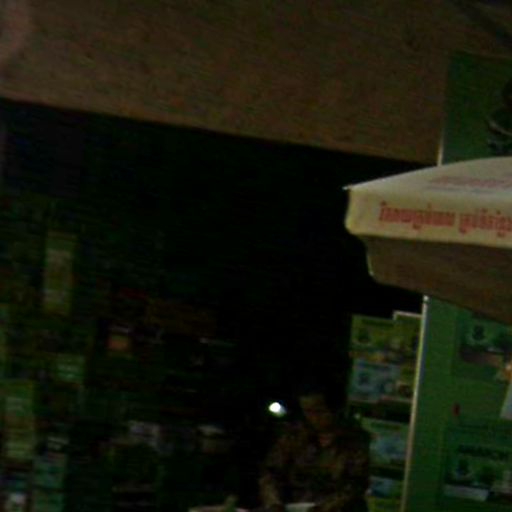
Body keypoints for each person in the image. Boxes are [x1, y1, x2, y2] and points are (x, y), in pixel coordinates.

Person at [258, 382, 369, 512]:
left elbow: (355, 486)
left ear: (335, 410)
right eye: (307, 411)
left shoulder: (356, 441)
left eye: (318, 411)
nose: (312, 417)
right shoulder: (294, 436)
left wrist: (324, 508)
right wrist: (274, 503)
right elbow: (271, 474)